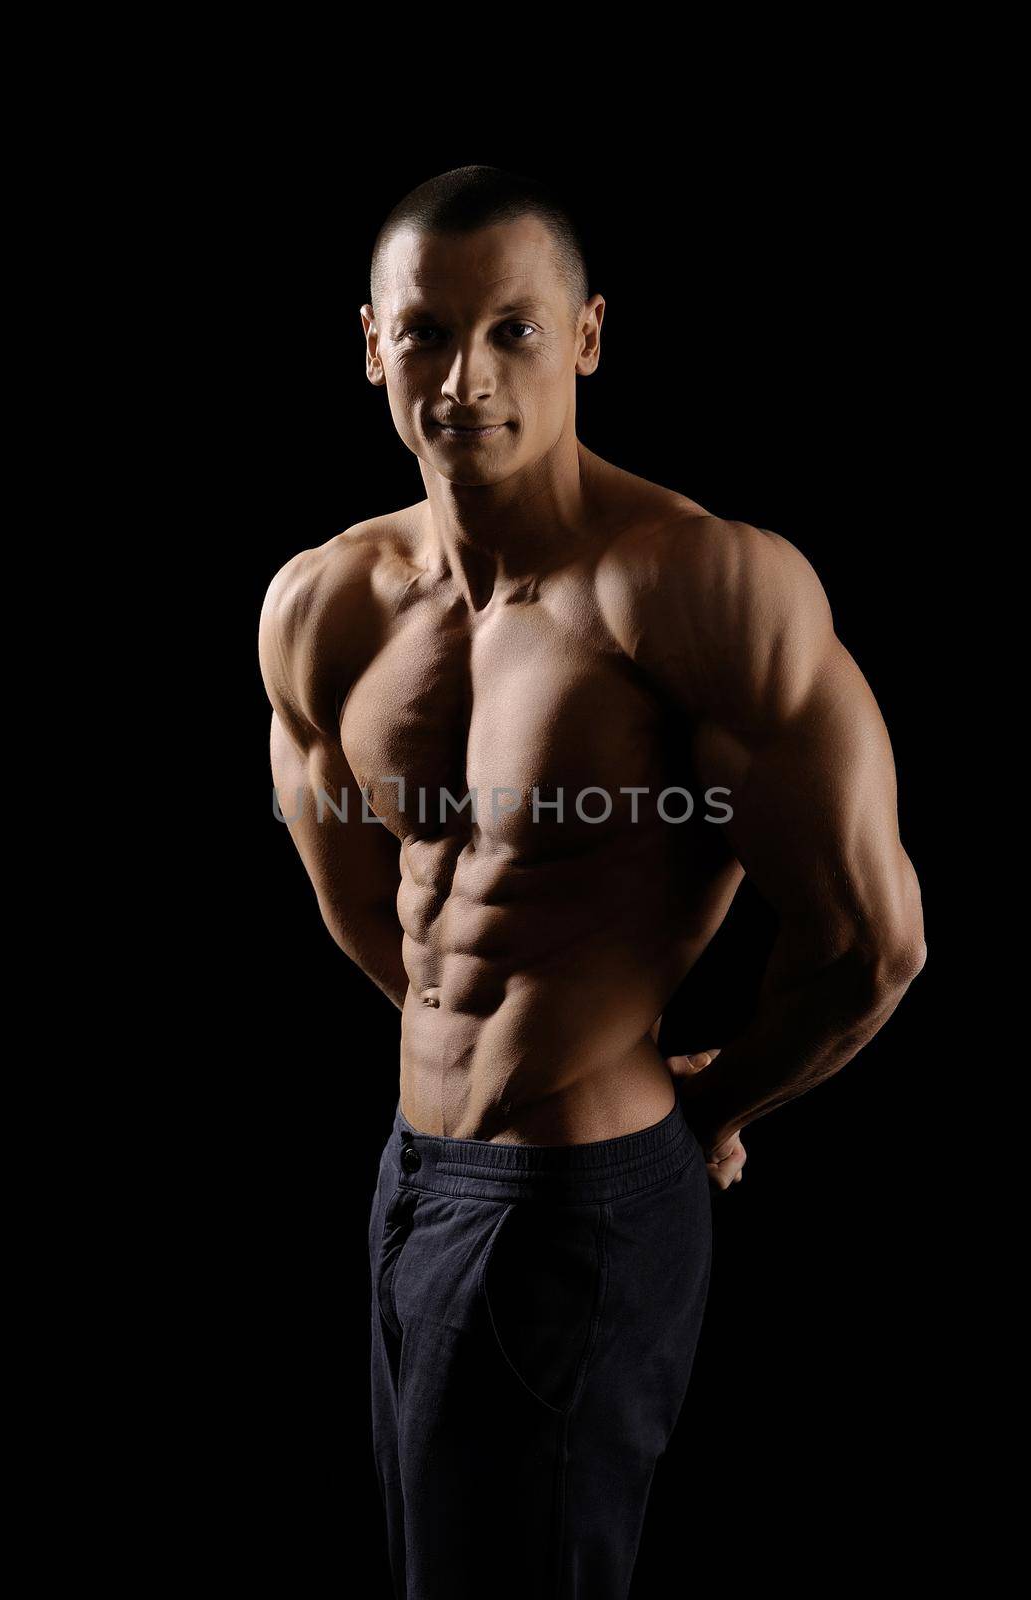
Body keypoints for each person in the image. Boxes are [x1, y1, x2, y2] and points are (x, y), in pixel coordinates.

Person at [257, 165, 926, 1599]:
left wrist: (709, 1103)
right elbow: (368, 900)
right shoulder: (326, 601)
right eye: (425, 331)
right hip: (413, 1175)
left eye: (511, 329)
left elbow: (870, 943)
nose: (462, 376)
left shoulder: (695, 587)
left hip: (576, 1200)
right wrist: (469, 1046)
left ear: (587, 338)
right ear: (370, 343)